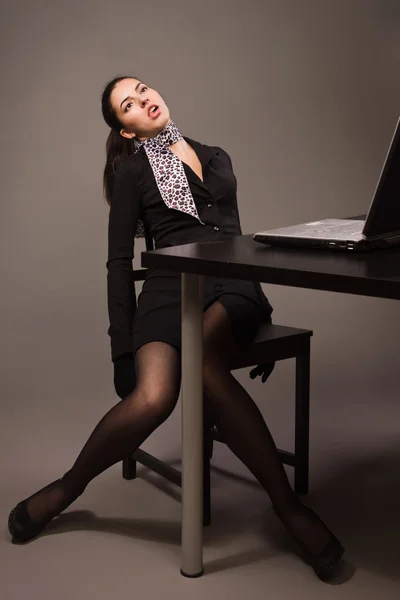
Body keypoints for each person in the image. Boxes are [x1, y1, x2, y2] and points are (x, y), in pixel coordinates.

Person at [8, 76, 344, 581]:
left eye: (142, 89)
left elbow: (237, 239)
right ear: (125, 130)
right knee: (152, 397)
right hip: (168, 288)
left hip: (230, 286)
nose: (143, 99)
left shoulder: (216, 157)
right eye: (128, 104)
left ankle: (287, 509)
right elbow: (119, 263)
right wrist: (122, 348)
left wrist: (262, 306)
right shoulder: (132, 172)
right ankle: (67, 489)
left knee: (206, 367)